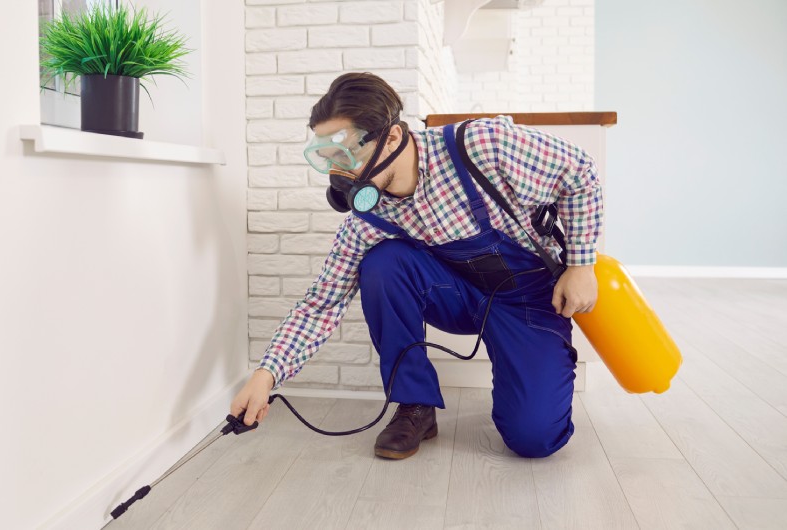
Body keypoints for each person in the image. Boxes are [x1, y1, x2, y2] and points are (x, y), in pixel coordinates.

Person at [231, 72, 602, 459]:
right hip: (458, 296)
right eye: (328, 161)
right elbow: (322, 303)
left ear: (391, 137)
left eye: (346, 156)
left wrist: (580, 264)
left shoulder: (482, 145)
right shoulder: (368, 220)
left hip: (526, 297)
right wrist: (266, 375)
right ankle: (415, 405)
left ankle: (532, 371)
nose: (340, 175)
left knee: (534, 437)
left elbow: (580, 176)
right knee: (383, 264)